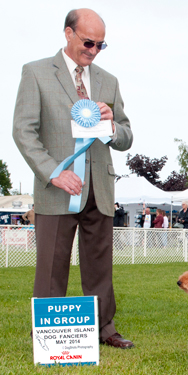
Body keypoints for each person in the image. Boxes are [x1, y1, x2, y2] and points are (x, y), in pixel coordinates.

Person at [13, 9, 134, 348]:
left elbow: (126, 136)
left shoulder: (108, 81)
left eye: (100, 45)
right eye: (88, 42)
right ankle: (51, 336)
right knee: (52, 265)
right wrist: (54, 172)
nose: (94, 50)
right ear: (68, 33)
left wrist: (112, 127)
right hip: (57, 189)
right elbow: (23, 132)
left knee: (100, 266)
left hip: (99, 187)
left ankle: (104, 329)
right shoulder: (36, 73)